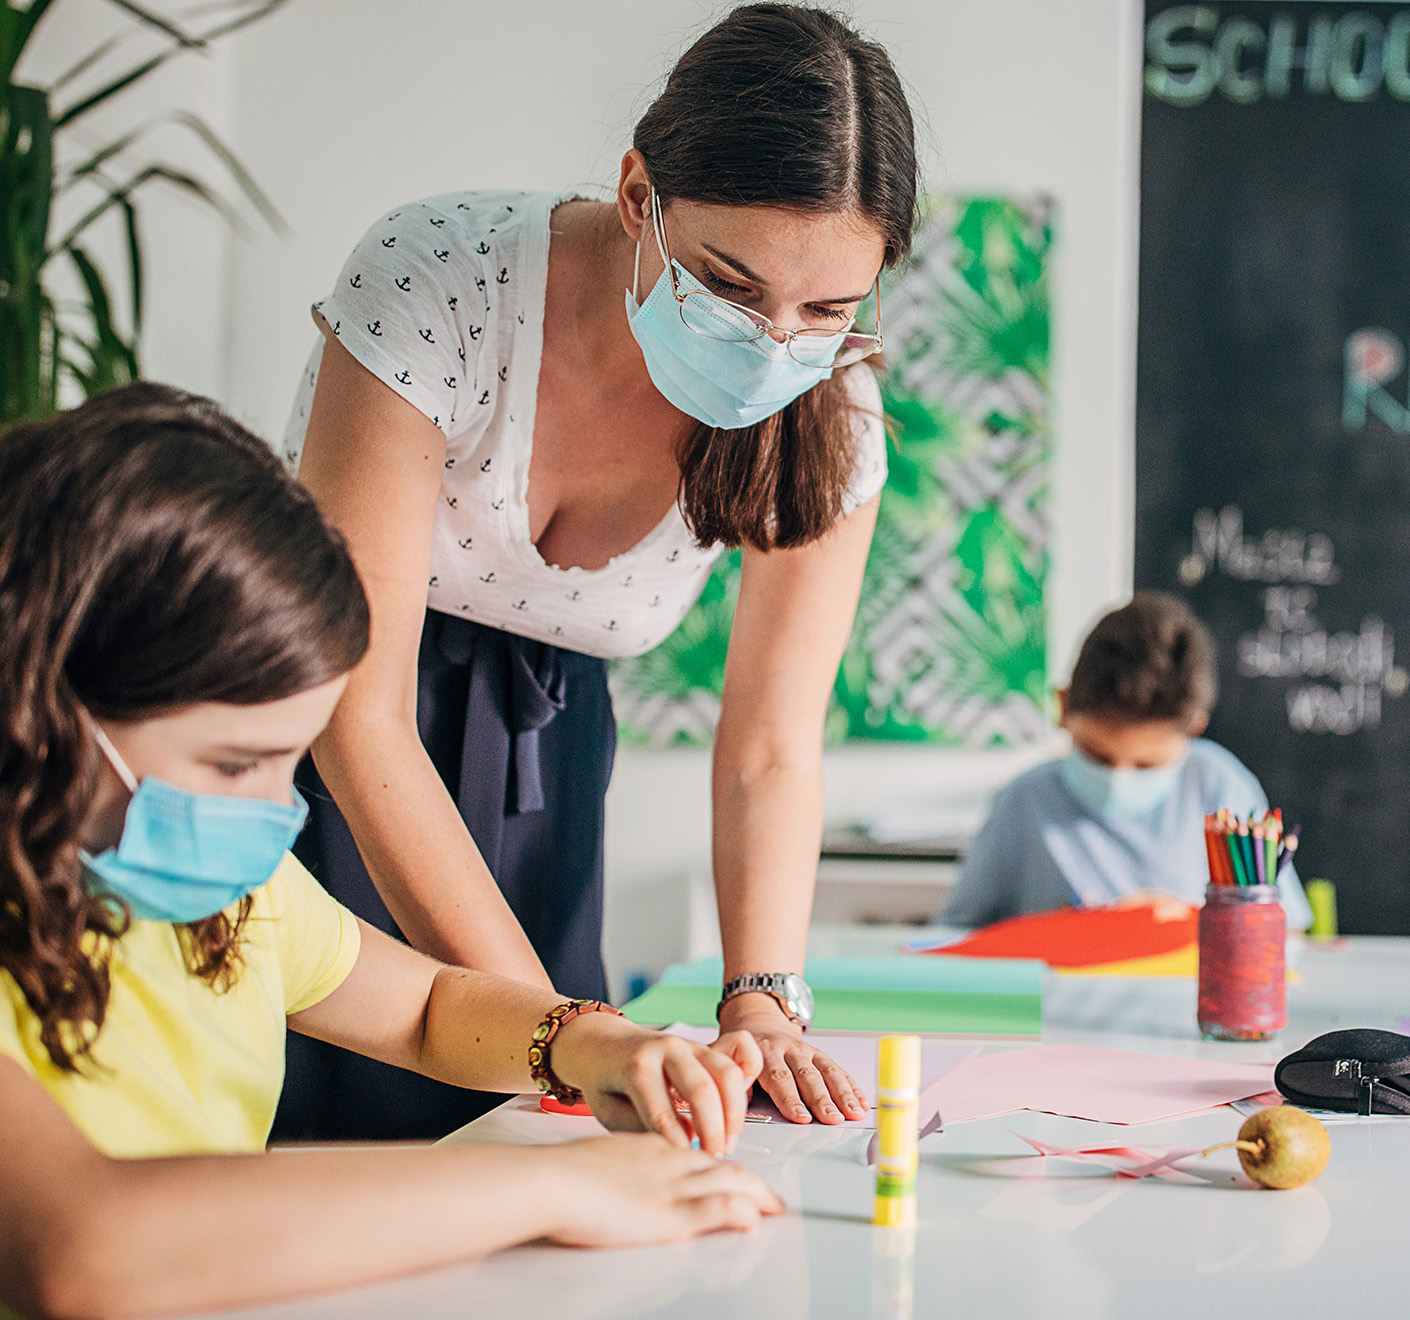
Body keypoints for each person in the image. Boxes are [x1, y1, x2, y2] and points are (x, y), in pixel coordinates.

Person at [0, 385, 782, 1318]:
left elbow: (424, 1008)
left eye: (289, 759)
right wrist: (559, 1188)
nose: (273, 809)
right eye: (234, 762)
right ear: (42, 711)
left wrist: (592, 1042)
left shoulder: (230, 896)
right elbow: (82, 1250)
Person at [279, 3, 918, 1140]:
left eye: (827, 310)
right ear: (639, 198)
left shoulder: (833, 412)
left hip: (549, 763)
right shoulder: (441, 279)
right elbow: (361, 715)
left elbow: (772, 747)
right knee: (344, 1122)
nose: (777, 345)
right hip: (319, 732)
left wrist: (762, 1001)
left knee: (540, 1150)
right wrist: (573, 1040)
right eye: (729, 287)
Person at [940, 593, 1313, 929]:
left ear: (1194, 728)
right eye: (1098, 756)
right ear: (1063, 708)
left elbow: (1286, 931)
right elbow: (954, 936)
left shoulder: (1220, 785)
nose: (1119, 778)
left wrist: (1179, 918)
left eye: (1147, 765)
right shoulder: (1021, 803)